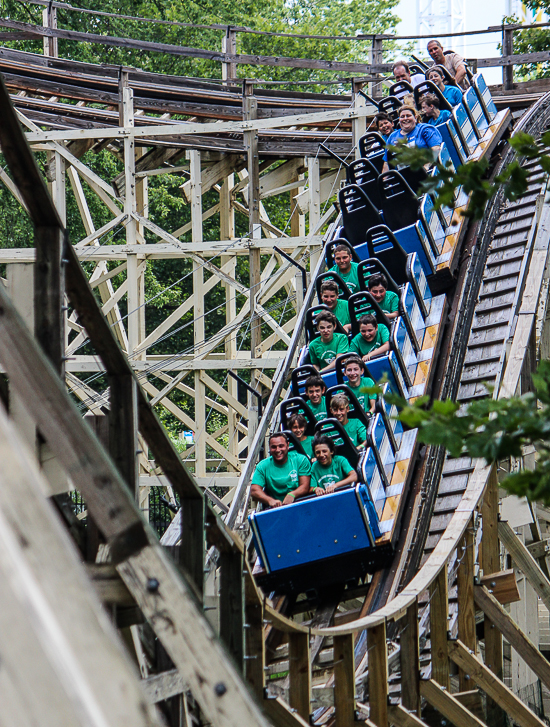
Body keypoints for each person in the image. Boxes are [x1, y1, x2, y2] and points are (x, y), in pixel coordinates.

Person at [250, 432, 311, 508]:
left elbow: (305, 486)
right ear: (269, 448)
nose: (278, 450)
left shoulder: (300, 460)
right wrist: (270, 500)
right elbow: (254, 491)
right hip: (277, 508)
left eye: (281, 446)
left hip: (300, 504)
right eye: (274, 447)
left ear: (288, 446)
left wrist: (292, 494)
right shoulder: (262, 466)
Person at [382, 105, 442, 174]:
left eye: (408, 116)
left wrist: (425, 167)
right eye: (402, 117)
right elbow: (386, 163)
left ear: (415, 117)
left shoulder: (425, 129)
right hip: (404, 178)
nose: (405, 118)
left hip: (427, 174)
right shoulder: (392, 137)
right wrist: (385, 181)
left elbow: (436, 149)